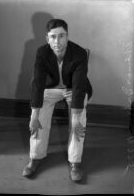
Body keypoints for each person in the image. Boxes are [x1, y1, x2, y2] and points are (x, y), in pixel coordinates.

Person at [22, 19, 92, 182]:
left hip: (74, 90)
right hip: (51, 89)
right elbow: (38, 83)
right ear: (47, 38)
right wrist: (34, 114)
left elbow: (80, 86)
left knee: (78, 122)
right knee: (38, 119)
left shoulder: (79, 53)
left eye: (61, 36)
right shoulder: (42, 52)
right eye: (53, 37)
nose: (57, 41)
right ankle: (35, 157)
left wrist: (75, 118)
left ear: (67, 36)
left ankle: (75, 162)